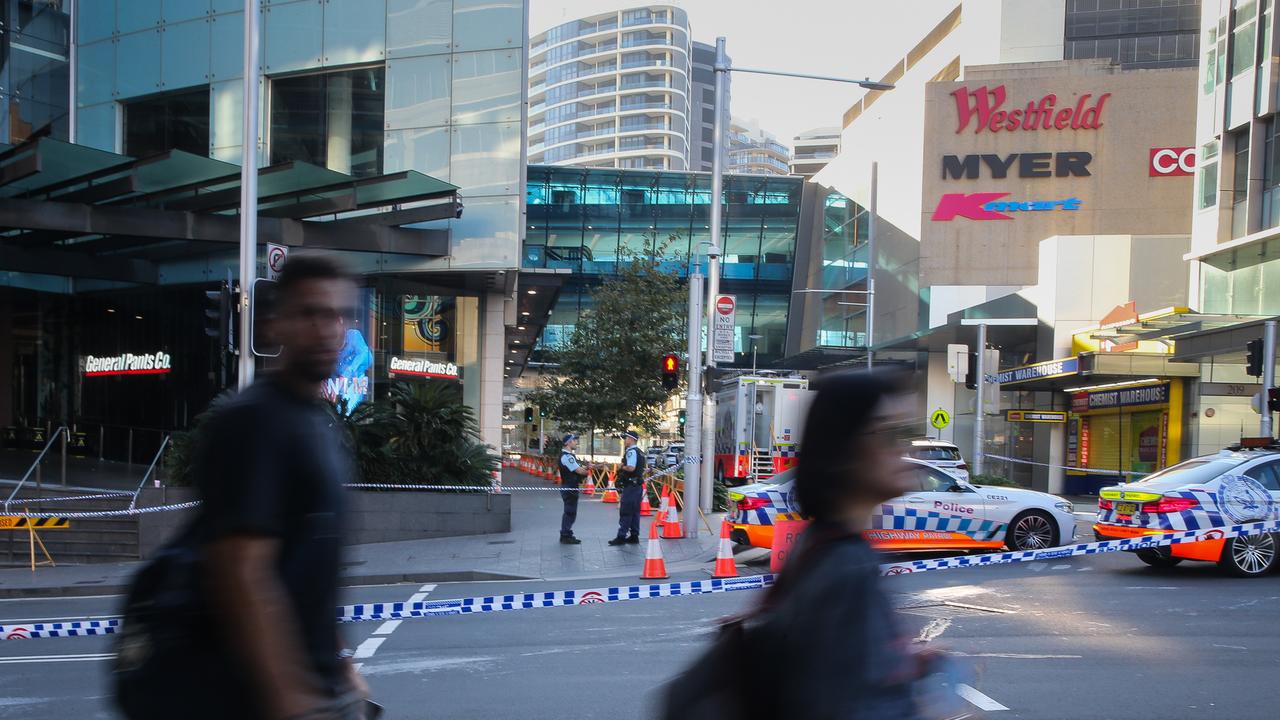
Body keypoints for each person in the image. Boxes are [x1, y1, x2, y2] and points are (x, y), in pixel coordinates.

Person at [114, 253, 369, 720]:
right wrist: (289, 700)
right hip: (243, 698)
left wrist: (341, 665)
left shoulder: (317, 425)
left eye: (338, 314)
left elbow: (307, 572)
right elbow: (242, 572)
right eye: (309, 313)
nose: (327, 329)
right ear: (275, 325)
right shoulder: (254, 421)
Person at [662, 370, 938, 719]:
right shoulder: (848, 565)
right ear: (845, 450)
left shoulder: (819, 544)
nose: (904, 449)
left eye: (907, 433)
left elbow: (823, 661)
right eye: (889, 434)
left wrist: (897, 662)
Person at [608, 430, 646, 546]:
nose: (625, 440)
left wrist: (622, 467)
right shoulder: (640, 452)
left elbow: (631, 468)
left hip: (631, 486)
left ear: (631, 439)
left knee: (626, 511)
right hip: (637, 486)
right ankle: (634, 536)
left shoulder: (631, 452)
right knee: (634, 512)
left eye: (626, 438)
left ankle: (621, 536)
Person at [558, 434, 591, 544]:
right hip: (569, 487)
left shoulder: (569, 456)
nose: (576, 442)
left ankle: (566, 533)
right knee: (570, 512)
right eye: (574, 441)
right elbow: (579, 471)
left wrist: (587, 467)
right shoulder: (566, 456)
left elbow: (578, 468)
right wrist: (587, 472)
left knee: (570, 512)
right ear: (568, 443)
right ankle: (565, 535)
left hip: (570, 486)